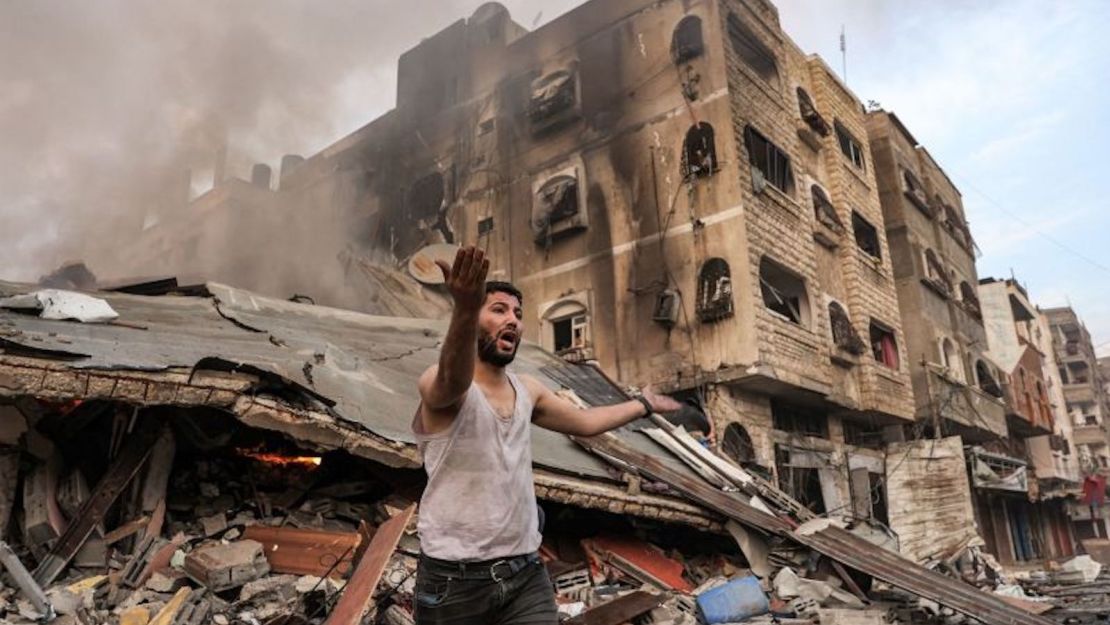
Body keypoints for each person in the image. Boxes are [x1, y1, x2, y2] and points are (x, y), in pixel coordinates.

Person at [412, 246, 681, 625]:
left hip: (524, 573)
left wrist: (644, 405)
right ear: (474, 317)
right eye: (499, 310)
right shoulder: (440, 383)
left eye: (518, 314)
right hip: (454, 582)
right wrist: (466, 307)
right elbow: (450, 382)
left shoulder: (529, 390)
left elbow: (586, 422)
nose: (513, 321)